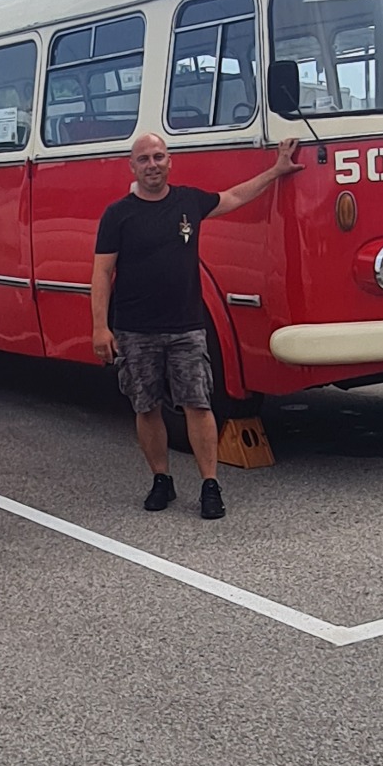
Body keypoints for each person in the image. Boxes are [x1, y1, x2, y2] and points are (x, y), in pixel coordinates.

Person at [91, 131, 298, 518]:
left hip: (186, 326)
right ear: (132, 166)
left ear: (170, 161)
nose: (152, 165)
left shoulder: (189, 201)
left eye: (158, 157)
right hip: (135, 330)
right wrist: (100, 329)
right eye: (144, 160)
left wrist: (276, 171)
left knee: (198, 405)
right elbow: (102, 273)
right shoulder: (118, 214)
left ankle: (209, 485)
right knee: (147, 406)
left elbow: (235, 196)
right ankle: (161, 479)